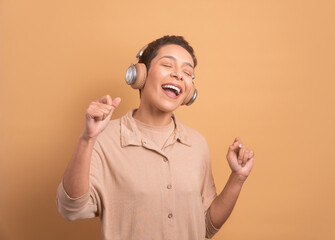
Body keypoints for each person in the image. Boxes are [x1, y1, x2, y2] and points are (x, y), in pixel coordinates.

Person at [56, 35, 255, 240]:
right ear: (140, 75)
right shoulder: (104, 139)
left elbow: (206, 225)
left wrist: (237, 177)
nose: (178, 75)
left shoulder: (197, 144)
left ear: (189, 92)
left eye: (187, 72)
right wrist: (87, 140)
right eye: (168, 65)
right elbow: (71, 210)